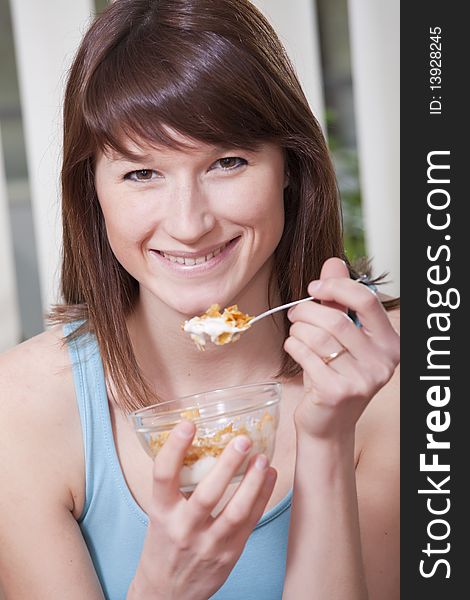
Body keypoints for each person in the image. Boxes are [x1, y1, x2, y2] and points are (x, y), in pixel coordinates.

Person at [0, 0, 400, 598]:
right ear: (94, 191)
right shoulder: (21, 409)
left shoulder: (392, 376)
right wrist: (165, 587)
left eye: (227, 162)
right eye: (141, 173)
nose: (189, 224)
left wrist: (326, 442)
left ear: (289, 167)